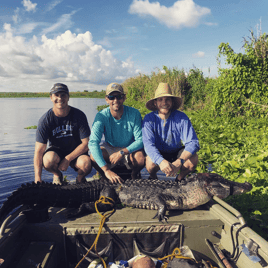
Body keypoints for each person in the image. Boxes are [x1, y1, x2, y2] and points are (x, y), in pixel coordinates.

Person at [34, 83, 92, 184]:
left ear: (68, 97)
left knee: (86, 164)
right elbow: (39, 150)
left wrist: (67, 159)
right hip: (57, 152)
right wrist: (37, 178)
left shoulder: (79, 115)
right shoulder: (45, 120)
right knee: (48, 161)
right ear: (51, 97)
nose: (60, 98)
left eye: (63, 95)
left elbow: (86, 144)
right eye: (56, 95)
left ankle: (80, 178)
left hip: (76, 151)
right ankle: (57, 174)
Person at [142, 82, 199, 182]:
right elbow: (148, 144)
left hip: (176, 152)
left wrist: (179, 161)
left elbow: (193, 142)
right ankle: (153, 177)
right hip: (158, 151)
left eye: (167, 99)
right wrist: (161, 161)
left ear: (172, 102)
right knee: (150, 163)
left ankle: (179, 178)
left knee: (193, 160)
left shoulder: (181, 117)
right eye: (160, 100)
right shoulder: (149, 119)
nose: (164, 103)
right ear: (155, 103)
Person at [89, 82, 145, 183]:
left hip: (128, 148)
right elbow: (93, 143)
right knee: (93, 156)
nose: (115, 100)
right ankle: (105, 175)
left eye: (119, 96)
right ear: (106, 99)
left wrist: (122, 152)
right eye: (111, 97)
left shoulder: (134, 113)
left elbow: (140, 140)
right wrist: (106, 170)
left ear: (124, 98)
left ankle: (134, 175)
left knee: (140, 158)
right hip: (110, 147)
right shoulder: (101, 116)